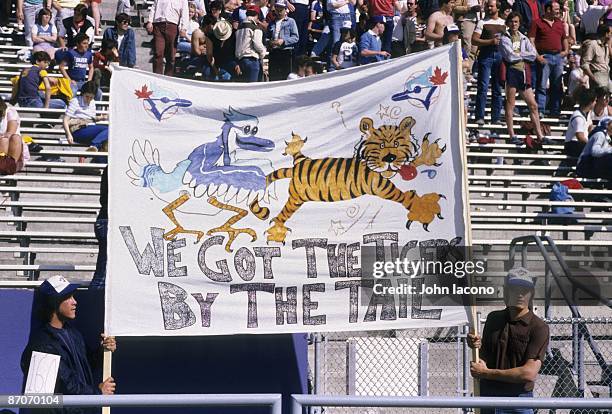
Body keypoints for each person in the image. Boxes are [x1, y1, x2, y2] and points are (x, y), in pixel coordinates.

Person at [20, 275, 117, 403]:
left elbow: (87, 365)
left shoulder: (72, 333)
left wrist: (103, 350)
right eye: (67, 297)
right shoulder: (42, 345)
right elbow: (67, 385)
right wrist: (97, 393)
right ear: (54, 303)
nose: (74, 302)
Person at [468, 267, 549, 414]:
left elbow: (528, 373)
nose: (520, 294)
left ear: (532, 294)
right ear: (506, 292)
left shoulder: (538, 327)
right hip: (488, 397)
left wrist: (486, 373)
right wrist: (475, 346)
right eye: (514, 289)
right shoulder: (494, 319)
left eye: (524, 290)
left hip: (518, 402)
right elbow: (484, 358)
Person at [500, 12, 545, 144]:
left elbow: (532, 55)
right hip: (511, 71)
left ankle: (540, 136)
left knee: (533, 105)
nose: (514, 24)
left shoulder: (523, 38)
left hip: (523, 72)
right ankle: (512, 135)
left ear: (519, 23)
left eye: (516, 22)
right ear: (508, 23)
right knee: (510, 105)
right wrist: (522, 55)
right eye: (512, 21)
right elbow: (510, 56)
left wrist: (519, 53)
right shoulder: (505, 38)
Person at [529, 1, 568, 118]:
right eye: (556, 9)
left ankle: (555, 111)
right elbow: (531, 40)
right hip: (544, 56)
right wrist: (537, 56)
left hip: (558, 57)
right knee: (541, 85)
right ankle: (540, 110)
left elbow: (564, 38)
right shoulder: (537, 23)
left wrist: (566, 50)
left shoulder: (560, 23)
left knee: (557, 85)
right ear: (548, 10)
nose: (558, 11)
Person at [472, 0, 506, 126]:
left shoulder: (504, 23)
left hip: (500, 57)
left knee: (497, 88)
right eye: (487, 6)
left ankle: (496, 117)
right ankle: (479, 116)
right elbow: (474, 40)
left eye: (491, 6)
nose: (488, 8)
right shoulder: (482, 22)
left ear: (498, 8)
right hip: (485, 56)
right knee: (483, 87)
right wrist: (490, 42)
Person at [146, 0, 191, 75]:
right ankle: (157, 77)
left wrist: (184, 28)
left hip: (172, 26)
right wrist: (150, 21)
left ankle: (168, 78)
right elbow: (154, 7)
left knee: (171, 56)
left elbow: (185, 13)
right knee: (158, 53)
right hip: (158, 25)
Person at [62, 81, 108, 152]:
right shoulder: (75, 101)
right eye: (87, 96)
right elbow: (65, 120)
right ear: (83, 93)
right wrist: (68, 135)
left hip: (89, 129)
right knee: (108, 130)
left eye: (91, 97)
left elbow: (90, 119)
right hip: (78, 130)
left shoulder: (92, 102)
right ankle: (94, 146)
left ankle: (87, 155)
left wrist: (100, 118)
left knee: (107, 141)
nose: (89, 99)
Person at [59, 33, 102, 101]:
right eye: (84, 43)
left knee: (98, 93)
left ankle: (97, 111)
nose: (86, 45)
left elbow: (91, 67)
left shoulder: (88, 54)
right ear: (78, 44)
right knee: (72, 92)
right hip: (73, 82)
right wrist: (69, 80)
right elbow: (61, 66)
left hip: (83, 82)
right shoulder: (71, 53)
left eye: (87, 43)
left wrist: (89, 80)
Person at [267, 0, 300, 80]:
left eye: (281, 10)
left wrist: (283, 41)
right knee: (273, 76)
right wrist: (269, 42)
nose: (279, 12)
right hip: (274, 52)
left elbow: (295, 37)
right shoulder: (272, 23)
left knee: (285, 75)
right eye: (277, 10)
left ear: (285, 10)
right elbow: (267, 37)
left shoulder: (291, 21)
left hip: (286, 52)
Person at [235, 5, 267, 81]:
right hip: (252, 60)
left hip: (241, 61)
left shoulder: (239, 28)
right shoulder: (255, 28)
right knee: (254, 89)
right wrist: (263, 52)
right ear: (257, 15)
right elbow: (257, 44)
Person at [564, 87, 597, 157]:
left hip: (581, 144)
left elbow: (590, 128)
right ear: (590, 102)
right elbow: (580, 137)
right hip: (572, 145)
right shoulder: (578, 116)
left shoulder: (588, 114)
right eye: (595, 101)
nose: (595, 103)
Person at [0, 98, 29, 176]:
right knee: (4, 140)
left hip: (10, 144)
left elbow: (11, 131)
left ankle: (9, 166)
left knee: (13, 138)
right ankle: (3, 166)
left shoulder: (9, 111)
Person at [90, 167, 108, 289]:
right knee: (102, 275)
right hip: (109, 220)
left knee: (103, 274)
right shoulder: (117, 166)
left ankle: (92, 303)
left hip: (105, 220)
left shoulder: (112, 166)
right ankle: (91, 305)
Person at [581, 24, 611, 91]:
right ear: (606, 34)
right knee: (600, 98)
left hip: (606, 75)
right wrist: (593, 78)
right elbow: (584, 64)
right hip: (597, 75)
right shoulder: (593, 44)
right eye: (610, 33)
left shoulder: (606, 46)